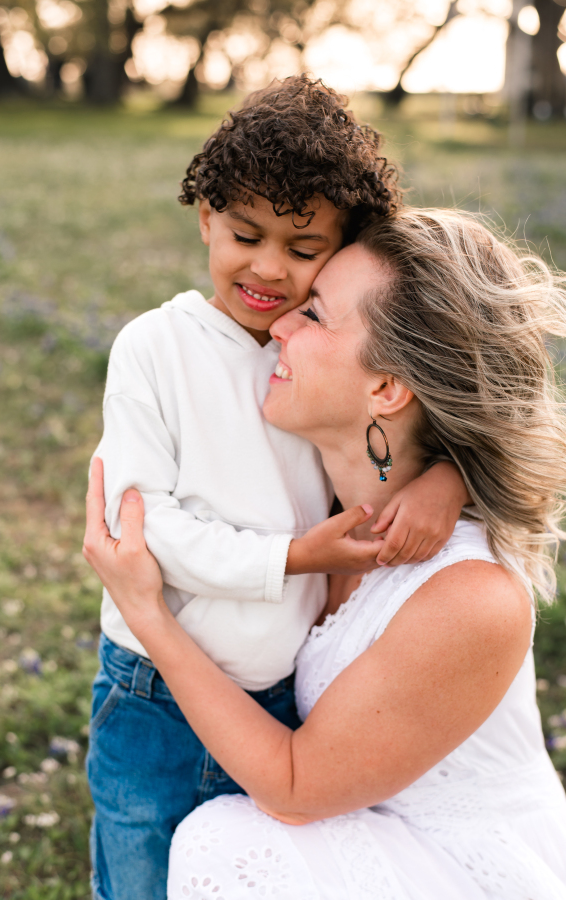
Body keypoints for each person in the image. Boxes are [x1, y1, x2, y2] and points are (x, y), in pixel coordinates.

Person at [84, 207, 566, 899]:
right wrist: (447, 472)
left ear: (386, 388)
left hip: (450, 865)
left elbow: (293, 791)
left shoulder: (469, 597)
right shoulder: (333, 497)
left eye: (312, 315)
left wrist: (148, 613)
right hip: (363, 824)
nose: (276, 325)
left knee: (224, 843)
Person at [86, 76, 470, 900]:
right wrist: (292, 558)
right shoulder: (156, 347)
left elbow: (401, 430)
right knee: (143, 877)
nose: (267, 272)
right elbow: (143, 531)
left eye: (302, 252)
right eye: (243, 234)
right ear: (204, 218)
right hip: (155, 690)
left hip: (278, 695)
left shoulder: (316, 352)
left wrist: (446, 476)